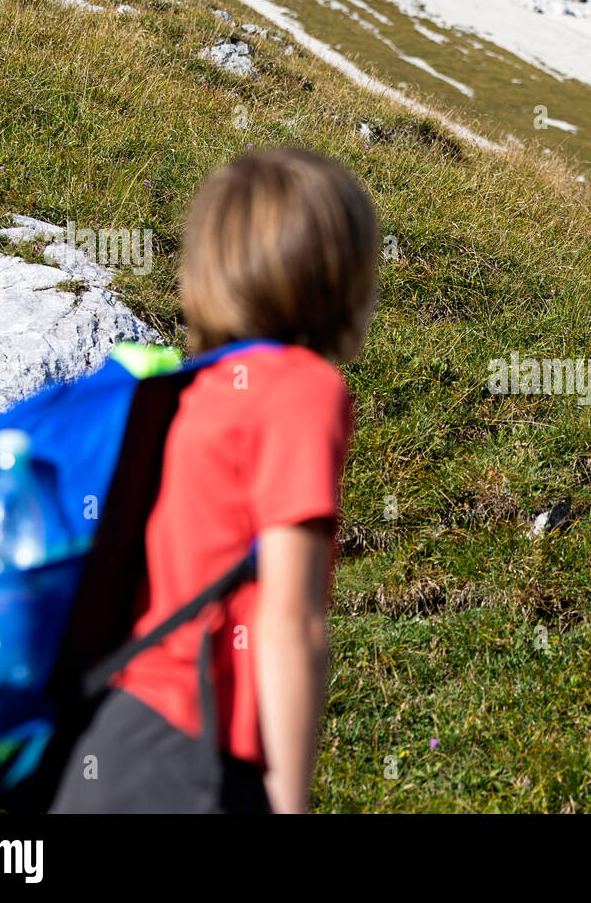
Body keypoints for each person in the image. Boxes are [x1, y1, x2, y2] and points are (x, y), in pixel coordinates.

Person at [52, 148, 378, 813]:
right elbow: (292, 620)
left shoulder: (189, 389)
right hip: (193, 754)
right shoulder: (301, 391)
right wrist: (289, 802)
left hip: (109, 742)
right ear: (331, 279)